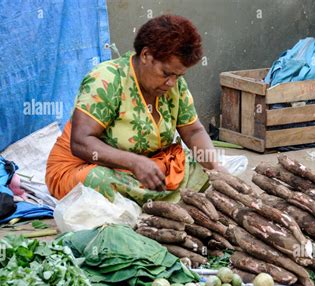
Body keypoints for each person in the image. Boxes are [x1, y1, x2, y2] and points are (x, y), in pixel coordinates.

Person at [46, 15, 225, 204]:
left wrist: (215, 167)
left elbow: (193, 131)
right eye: (166, 73)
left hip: (144, 164)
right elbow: (81, 142)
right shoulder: (107, 79)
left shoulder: (175, 85)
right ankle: (162, 201)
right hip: (83, 167)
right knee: (102, 181)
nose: (171, 83)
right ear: (146, 55)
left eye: (178, 76)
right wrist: (134, 163)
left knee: (197, 168)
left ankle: (159, 199)